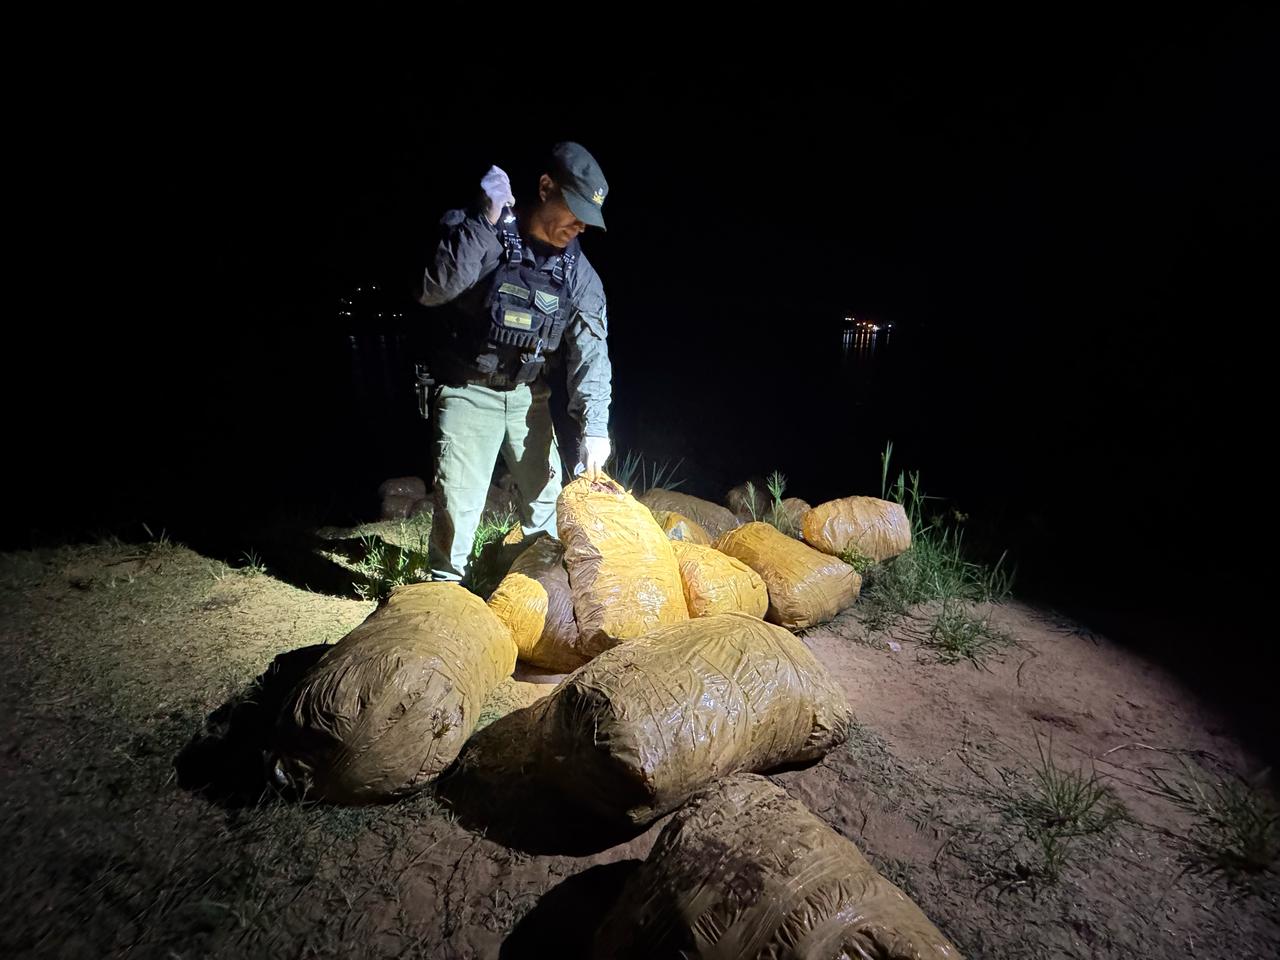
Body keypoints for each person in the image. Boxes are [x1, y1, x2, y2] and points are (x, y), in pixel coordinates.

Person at [417, 142, 613, 583]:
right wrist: (484, 221)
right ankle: (446, 597)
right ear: (546, 187)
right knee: (459, 514)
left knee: (545, 509)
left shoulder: (578, 273)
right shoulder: (487, 232)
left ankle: (535, 595)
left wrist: (595, 428)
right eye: (574, 208)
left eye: (588, 216)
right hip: (469, 391)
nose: (580, 224)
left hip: (529, 397)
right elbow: (433, 288)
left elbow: (592, 352)